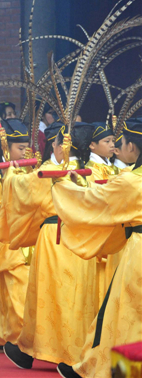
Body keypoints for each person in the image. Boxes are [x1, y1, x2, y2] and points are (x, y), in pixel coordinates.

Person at [1, 123, 99, 368]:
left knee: (51, 294)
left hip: (56, 236)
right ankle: (40, 349)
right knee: (78, 296)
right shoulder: (92, 171)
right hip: (83, 238)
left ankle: (63, 353)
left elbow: (22, 190)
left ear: (60, 147)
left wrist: (11, 174)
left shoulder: (49, 171)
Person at [53, 117, 142, 378]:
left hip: (139, 253)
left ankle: (126, 373)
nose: (119, 147)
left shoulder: (130, 182)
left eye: (122, 143)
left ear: (133, 149)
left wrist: (62, 186)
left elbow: (95, 202)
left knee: (131, 318)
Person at [0, 120, 31, 353]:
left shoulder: (24, 170)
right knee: (5, 293)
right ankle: (7, 338)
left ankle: (15, 338)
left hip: (18, 237)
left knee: (17, 291)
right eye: (20, 148)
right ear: (5, 149)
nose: (25, 152)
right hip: (1, 238)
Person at [86, 122, 120, 309]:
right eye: (106, 141)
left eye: (113, 141)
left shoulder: (113, 168)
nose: (111, 145)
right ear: (92, 145)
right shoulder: (90, 170)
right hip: (101, 230)